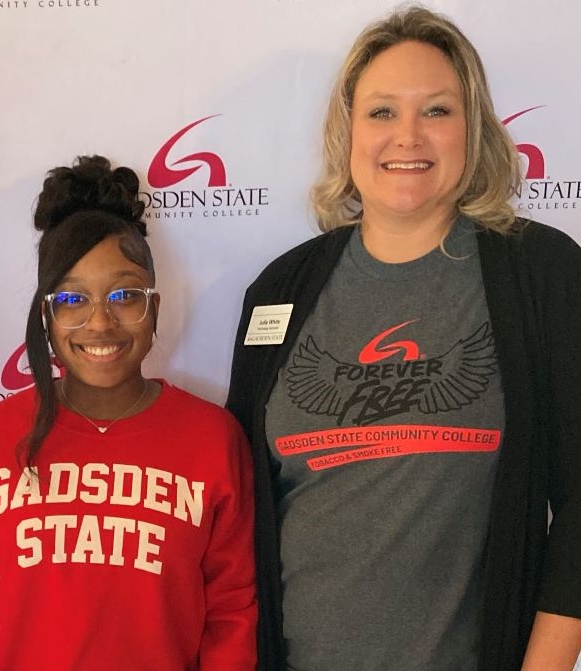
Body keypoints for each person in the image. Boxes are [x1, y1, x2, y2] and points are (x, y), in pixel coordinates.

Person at [225, 6, 581, 671]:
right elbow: (239, 516)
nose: (406, 136)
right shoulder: (279, 289)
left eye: (437, 111)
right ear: (347, 129)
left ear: (474, 128)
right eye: (381, 112)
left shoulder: (540, 272)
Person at [0, 155, 257, 670]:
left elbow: (232, 613)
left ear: (155, 309)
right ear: (47, 316)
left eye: (125, 295)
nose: (100, 322)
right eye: (73, 299)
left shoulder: (213, 439)